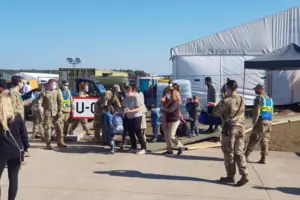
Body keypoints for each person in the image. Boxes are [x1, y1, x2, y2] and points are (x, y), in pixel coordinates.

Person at [211, 80, 248, 186]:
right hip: (241, 128)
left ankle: (230, 176)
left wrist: (218, 103)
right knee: (239, 152)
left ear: (228, 88)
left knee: (229, 153)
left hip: (230, 129)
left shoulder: (226, 101)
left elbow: (215, 113)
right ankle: (244, 174)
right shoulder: (241, 99)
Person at [0, 95, 30, 200]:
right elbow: (24, 135)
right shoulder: (17, 117)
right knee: (13, 179)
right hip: (16, 151)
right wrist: (25, 147)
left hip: (2, 151)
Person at [245, 84, 273, 164]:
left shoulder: (259, 98)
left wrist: (254, 121)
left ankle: (246, 155)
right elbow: (271, 111)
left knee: (253, 138)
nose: (255, 91)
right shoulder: (269, 99)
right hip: (268, 122)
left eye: (256, 89)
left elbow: (256, 111)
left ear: (261, 89)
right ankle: (263, 158)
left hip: (261, 122)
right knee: (265, 140)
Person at [38, 79, 65, 149]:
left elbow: (60, 102)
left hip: (56, 112)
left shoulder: (57, 91)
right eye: (53, 84)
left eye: (55, 84)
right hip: (47, 113)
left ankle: (60, 142)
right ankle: (48, 144)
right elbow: (39, 102)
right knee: (47, 128)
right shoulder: (43, 92)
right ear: (49, 84)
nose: (55, 85)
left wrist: (60, 110)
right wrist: (40, 110)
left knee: (59, 127)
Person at [123, 85, 147, 155]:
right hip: (129, 116)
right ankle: (134, 148)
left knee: (138, 132)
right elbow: (125, 106)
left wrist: (130, 111)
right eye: (125, 90)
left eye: (128, 90)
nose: (126, 92)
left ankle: (143, 148)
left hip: (136, 116)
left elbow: (138, 108)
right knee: (130, 132)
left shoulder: (136, 97)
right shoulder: (126, 97)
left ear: (132, 90)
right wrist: (126, 109)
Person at [161, 88, 184, 155]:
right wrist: (163, 102)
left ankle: (180, 146)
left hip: (174, 120)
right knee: (166, 136)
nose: (167, 94)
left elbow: (171, 110)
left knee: (171, 135)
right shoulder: (167, 101)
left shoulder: (175, 102)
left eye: (168, 93)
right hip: (167, 120)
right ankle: (169, 150)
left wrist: (163, 110)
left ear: (172, 94)